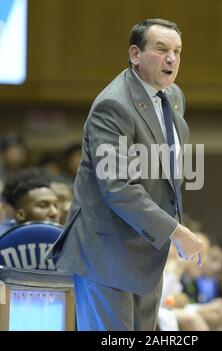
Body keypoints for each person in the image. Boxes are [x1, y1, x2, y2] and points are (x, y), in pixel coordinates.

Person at [48, 18, 204, 331]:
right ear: (135, 54)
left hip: (145, 248)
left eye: (177, 51)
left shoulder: (173, 96)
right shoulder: (113, 105)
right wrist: (176, 231)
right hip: (104, 252)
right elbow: (117, 187)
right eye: (161, 50)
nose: (171, 59)